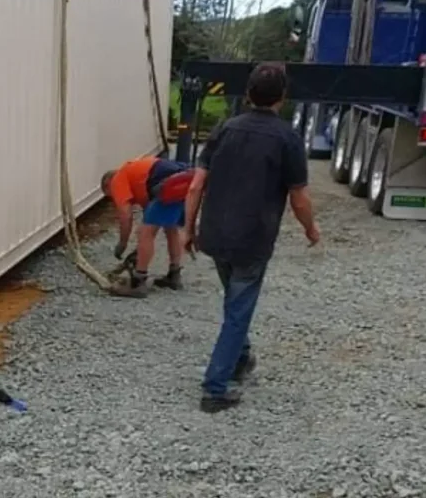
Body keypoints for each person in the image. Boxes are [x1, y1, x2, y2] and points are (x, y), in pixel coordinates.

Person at [183, 62, 321, 413]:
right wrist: (310, 228)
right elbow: (299, 196)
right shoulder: (287, 139)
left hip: (214, 234)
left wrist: (189, 228)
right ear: (283, 98)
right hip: (253, 239)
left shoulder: (224, 129)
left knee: (234, 300)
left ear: (248, 94)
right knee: (238, 310)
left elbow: (196, 184)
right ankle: (215, 388)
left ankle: (240, 360)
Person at [100, 156, 193, 298]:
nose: (114, 199)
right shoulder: (137, 178)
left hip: (167, 183)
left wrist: (123, 243)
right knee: (171, 228)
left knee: (145, 232)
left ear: (108, 185)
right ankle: (174, 275)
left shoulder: (117, 179)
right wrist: (139, 251)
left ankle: (139, 282)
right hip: (182, 180)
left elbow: (126, 215)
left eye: (111, 196)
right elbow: (150, 215)